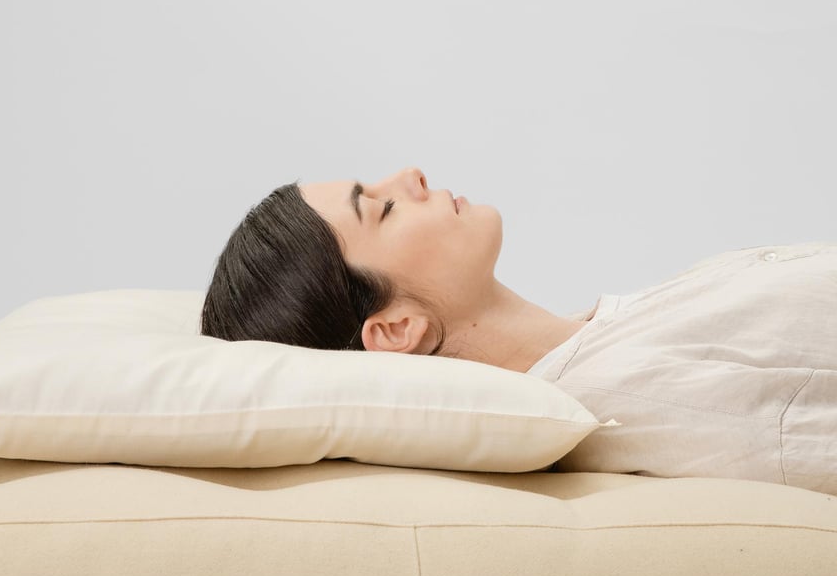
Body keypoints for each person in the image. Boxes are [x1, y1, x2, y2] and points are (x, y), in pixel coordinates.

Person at [202, 168, 837, 495]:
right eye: (384, 208)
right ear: (396, 330)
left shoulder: (612, 331)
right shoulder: (631, 394)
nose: (412, 175)